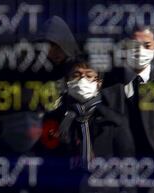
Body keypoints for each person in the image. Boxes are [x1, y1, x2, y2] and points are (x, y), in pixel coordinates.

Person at [101, 26, 154, 192]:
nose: (139, 51)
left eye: (147, 45)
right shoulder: (108, 81)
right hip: (120, 170)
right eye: (133, 45)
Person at [39, 61, 135, 193]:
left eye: (89, 76)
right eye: (76, 75)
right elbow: (46, 164)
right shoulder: (56, 119)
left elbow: (128, 165)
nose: (82, 80)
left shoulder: (114, 120)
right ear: (67, 81)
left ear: (99, 83)